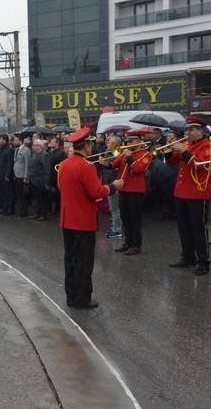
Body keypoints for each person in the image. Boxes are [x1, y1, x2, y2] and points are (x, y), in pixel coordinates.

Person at [58, 127, 123, 309]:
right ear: (86, 146)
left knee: (70, 260)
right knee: (84, 262)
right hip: (82, 221)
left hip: (67, 219)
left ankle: (71, 296)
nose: (92, 147)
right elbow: (96, 192)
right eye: (90, 144)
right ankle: (83, 298)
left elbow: (61, 187)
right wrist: (113, 186)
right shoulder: (86, 166)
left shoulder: (64, 164)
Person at [165, 117, 211, 275]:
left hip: (197, 192)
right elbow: (171, 162)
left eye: (191, 130)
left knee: (198, 228)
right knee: (184, 227)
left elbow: (199, 165)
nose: (187, 133)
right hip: (181, 192)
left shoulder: (209, 145)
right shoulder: (187, 144)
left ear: (200, 131)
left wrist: (183, 150)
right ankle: (188, 257)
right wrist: (168, 152)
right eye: (187, 130)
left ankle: (203, 261)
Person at [101, 130, 152, 255]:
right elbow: (113, 165)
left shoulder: (146, 155)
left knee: (135, 218)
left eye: (131, 141)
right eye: (128, 141)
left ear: (139, 142)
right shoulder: (124, 154)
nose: (128, 143)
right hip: (123, 188)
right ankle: (128, 242)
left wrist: (129, 156)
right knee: (125, 217)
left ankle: (136, 245)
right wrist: (105, 163)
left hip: (136, 190)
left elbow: (138, 168)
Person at [27, 139, 50, 221]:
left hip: (40, 181)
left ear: (38, 146)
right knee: (37, 198)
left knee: (42, 198)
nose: (33, 147)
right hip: (33, 180)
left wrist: (45, 182)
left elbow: (47, 169)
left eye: (34, 145)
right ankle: (38, 213)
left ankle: (43, 214)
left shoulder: (44, 155)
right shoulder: (34, 154)